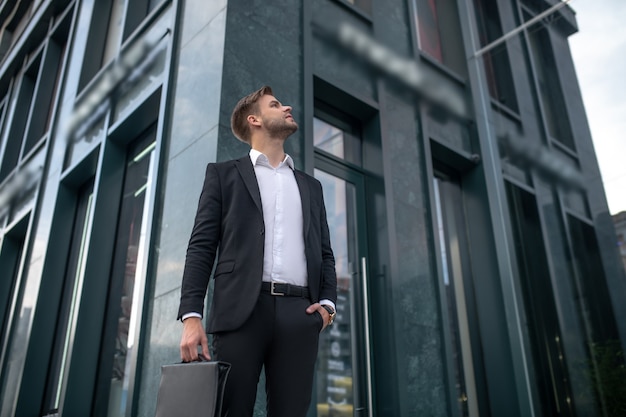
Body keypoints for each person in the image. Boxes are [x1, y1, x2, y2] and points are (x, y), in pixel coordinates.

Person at [177, 86, 337, 417]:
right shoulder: (223, 175)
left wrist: (327, 306)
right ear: (255, 119)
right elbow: (201, 246)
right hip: (240, 313)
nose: (287, 107)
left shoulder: (311, 186)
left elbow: (325, 252)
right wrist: (191, 316)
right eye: (275, 105)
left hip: (300, 314)